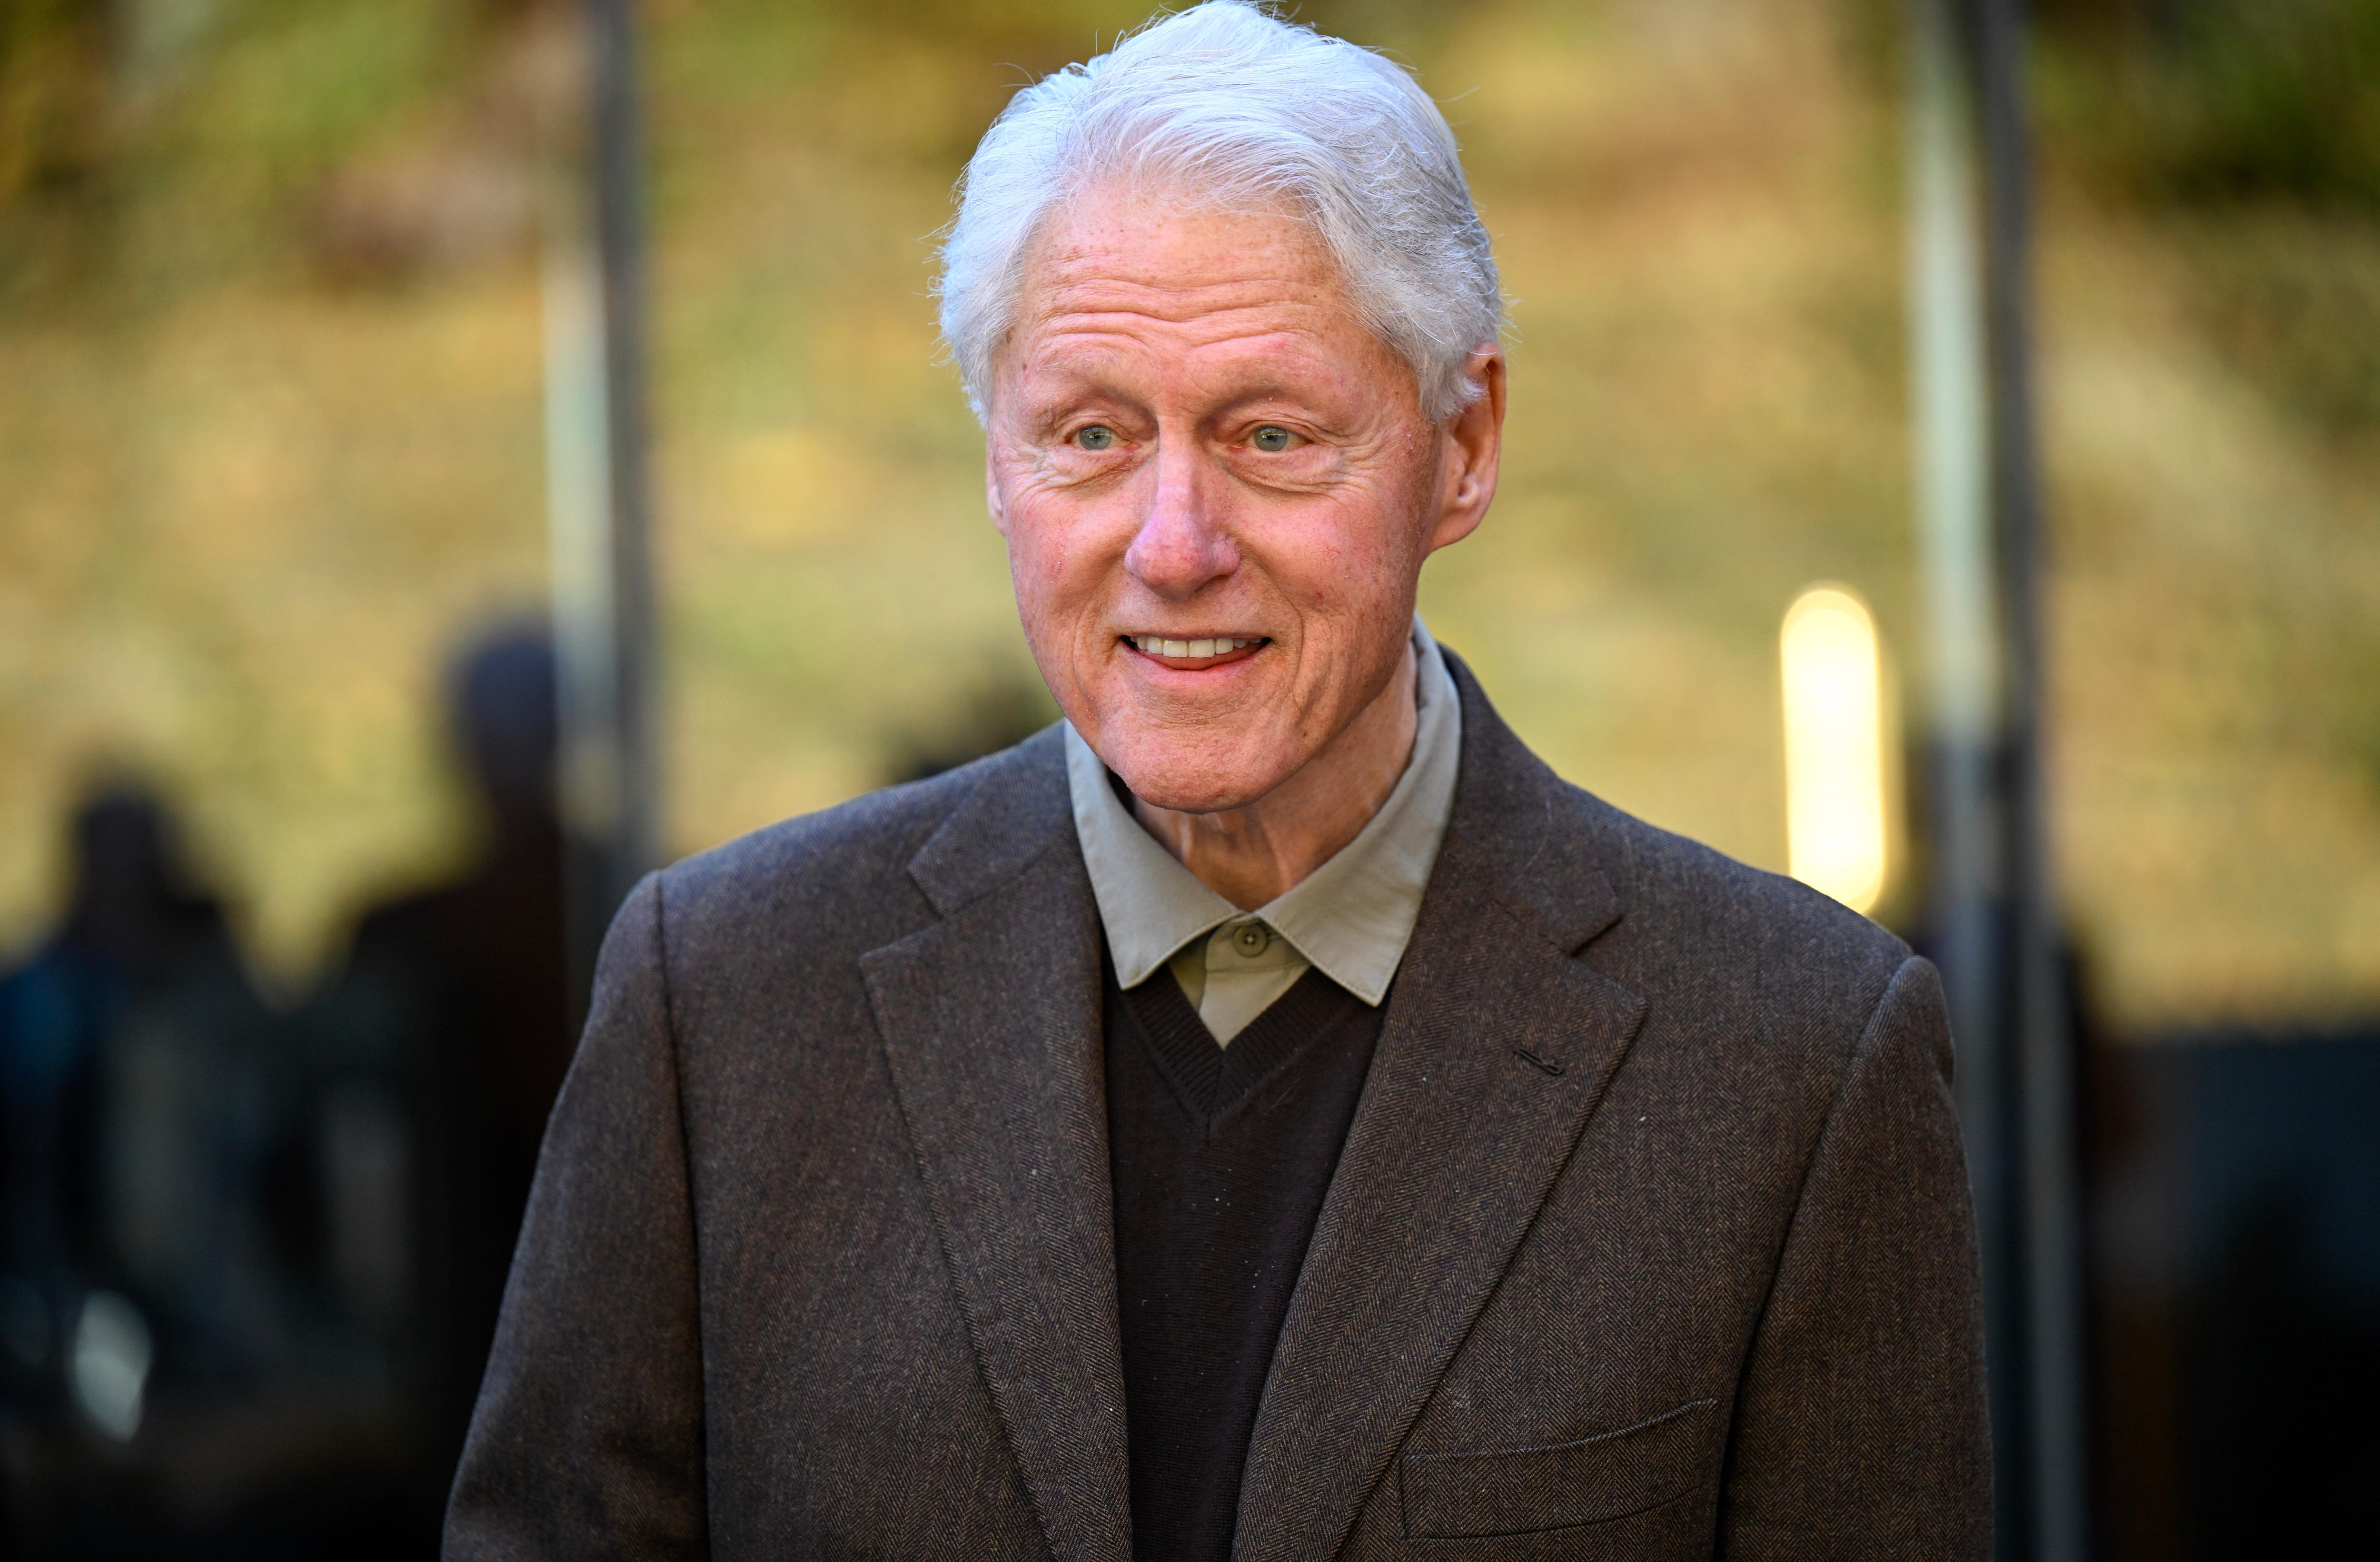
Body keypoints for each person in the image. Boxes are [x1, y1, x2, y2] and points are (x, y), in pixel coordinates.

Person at [445, 6, 1990, 1558]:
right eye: (1093, 434)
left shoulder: (1791, 1066)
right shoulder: (720, 1008)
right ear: (997, 458)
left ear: (1464, 444)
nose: (1174, 545)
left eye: (1268, 434)